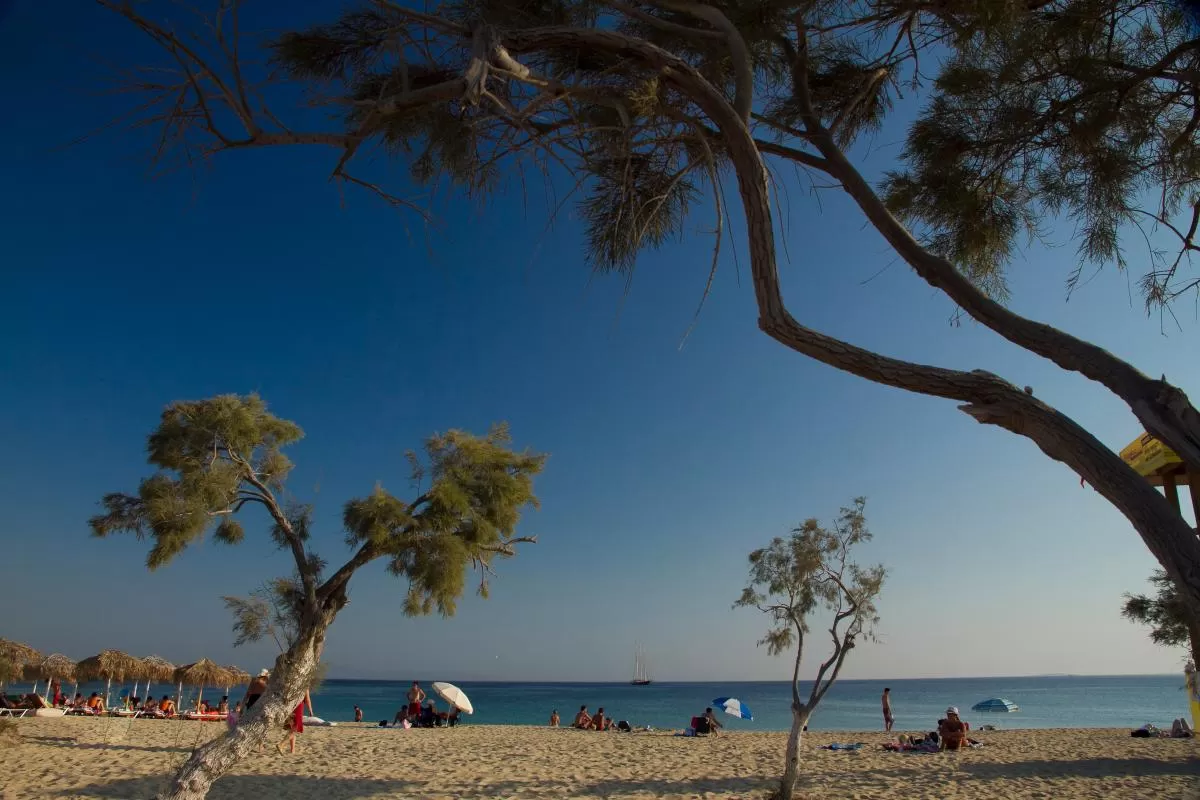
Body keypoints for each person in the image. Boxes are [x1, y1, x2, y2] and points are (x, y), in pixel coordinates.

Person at [277, 688, 313, 755]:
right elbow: (307, 699)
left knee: (292, 728)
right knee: (295, 728)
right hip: (298, 706)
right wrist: (310, 710)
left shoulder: (292, 682)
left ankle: (292, 750)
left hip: (289, 706)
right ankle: (281, 744)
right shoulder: (304, 684)